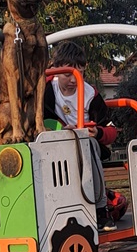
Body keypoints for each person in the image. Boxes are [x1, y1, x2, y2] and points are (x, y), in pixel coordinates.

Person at [44, 41, 118, 232]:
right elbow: (43, 118)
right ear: (55, 70)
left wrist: (98, 132)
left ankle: (101, 208)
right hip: (57, 144)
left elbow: (111, 130)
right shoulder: (46, 89)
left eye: (80, 73)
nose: (73, 79)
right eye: (68, 74)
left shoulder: (89, 95)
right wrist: (59, 128)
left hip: (86, 146)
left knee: (89, 143)